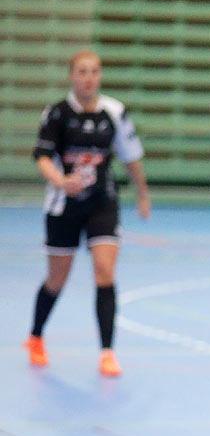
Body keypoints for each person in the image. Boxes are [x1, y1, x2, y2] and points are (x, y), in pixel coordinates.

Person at [27, 49, 150, 376]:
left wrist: (142, 194)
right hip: (63, 206)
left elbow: (131, 156)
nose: (88, 78)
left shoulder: (114, 112)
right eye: (82, 72)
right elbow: (41, 156)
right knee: (57, 279)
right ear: (72, 75)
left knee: (104, 272)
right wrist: (59, 180)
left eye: (94, 71)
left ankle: (107, 352)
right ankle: (36, 336)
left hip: (102, 203)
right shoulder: (56, 114)